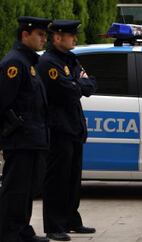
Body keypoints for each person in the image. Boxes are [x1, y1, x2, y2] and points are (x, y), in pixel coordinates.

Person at [38, 20, 97, 241]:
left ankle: (71, 220)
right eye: (70, 35)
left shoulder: (71, 59)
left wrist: (77, 84)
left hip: (74, 126)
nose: (75, 38)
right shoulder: (48, 63)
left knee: (72, 179)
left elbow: (90, 86)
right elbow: (68, 91)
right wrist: (77, 84)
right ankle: (53, 225)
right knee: (56, 180)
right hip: (58, 128)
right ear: (57, 38)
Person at [0, 16, 51, 242]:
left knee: (27, 189)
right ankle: (9, 233)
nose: (44, 39)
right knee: (15, 189)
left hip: (33, 138)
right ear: (25, 35)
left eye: (45, 35)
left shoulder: (29, 62)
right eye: (40, 34)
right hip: (20, 140)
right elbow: (3, 103)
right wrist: (14, 129)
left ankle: (21, 230)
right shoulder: (14, 63)